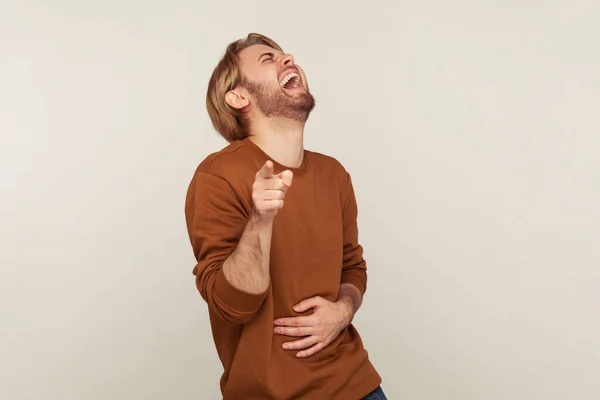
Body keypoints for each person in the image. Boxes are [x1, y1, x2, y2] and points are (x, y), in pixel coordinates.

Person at [184, 33, 386, 400]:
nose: (288, 58)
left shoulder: (334, 174)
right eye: (267, 59)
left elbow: (352, 266)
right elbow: (231, 305)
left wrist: (344, 309)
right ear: (239, 96)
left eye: (284, 54)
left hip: (357, 386)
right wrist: (261, 218)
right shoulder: (217, 176)